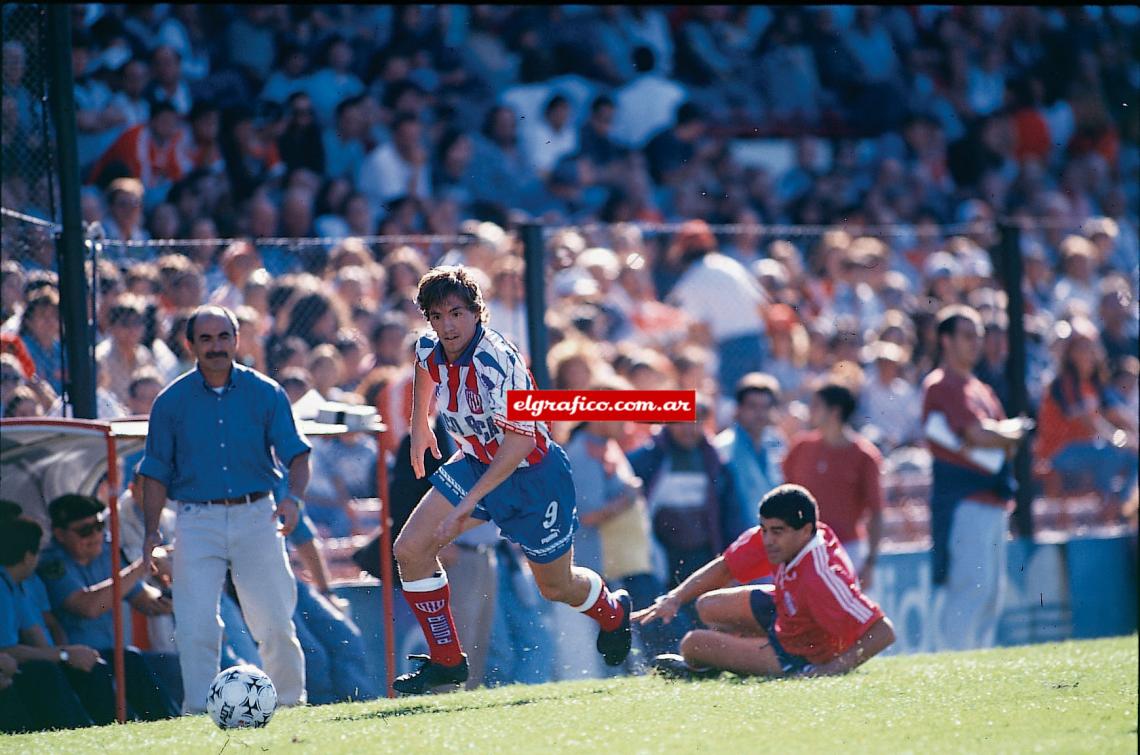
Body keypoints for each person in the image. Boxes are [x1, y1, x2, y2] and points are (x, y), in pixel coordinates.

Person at [390, 265, 631, 694]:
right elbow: (423, 366)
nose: (447, 325)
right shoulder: (432, 346)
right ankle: (447, 661)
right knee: (410, 549)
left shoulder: (496, 361)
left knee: (556, 586)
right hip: (477, 462)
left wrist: (467, 506)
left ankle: (613, 613)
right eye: (437, 316)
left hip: (533, 475)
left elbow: (519, 444)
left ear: (477, 313)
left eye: (456, 313)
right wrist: (420, 426)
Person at [137, 303, 311, 713]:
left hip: (257, 515)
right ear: (190, 344)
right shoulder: (170, 401)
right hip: (197, 520)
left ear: (236, 339)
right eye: (206, 338)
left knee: (273, 621)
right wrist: (150, 532)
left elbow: (297, 455)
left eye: (223, 337)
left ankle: (290, 705)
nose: (216, 346)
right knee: (195, 624)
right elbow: (155, 472)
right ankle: (197, 712)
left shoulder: (267, 391)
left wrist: (295, 499)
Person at [635, 484, 895, 679]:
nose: (768, 539)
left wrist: (828, 669)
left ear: (805, 531)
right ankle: (734, 657)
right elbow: (726, 567)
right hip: (787, 614)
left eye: (776, 532)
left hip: (799, 652)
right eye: (764, 529)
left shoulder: (822, 577)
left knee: (692, 644)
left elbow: (883, 632)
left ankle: (716, 664)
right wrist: (675, 598)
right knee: (706, 605)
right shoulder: (796, 536)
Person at [922, 305, 1027, 651]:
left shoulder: (981, 388)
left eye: (979, 336)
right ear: (945, 340)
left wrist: (998, 434)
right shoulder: (942, 384)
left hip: (992, 498)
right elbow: (977, 435)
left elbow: (999, 443)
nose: (976, 343)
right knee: (971, 586)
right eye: (968, 336)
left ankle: (977, 664)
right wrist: (1006, 432)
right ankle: (956, 665)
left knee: (992, 593)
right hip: (964, 499)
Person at [36, 494, 180, 721]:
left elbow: (144, 599)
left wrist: (168, 591)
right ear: (60, 534)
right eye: (84, 531)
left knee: (152, 663)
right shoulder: (51, 563)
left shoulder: (108, 550)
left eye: (98, 526)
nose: (95, 535)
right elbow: (90, 607)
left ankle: (171, 727)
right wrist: (142, 564)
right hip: (76, 661)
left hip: (115, 656)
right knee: (120, 667)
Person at [782, 382, 884, 586]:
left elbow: (876, 512)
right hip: (802, 550)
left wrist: (870, 562)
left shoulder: (864, 455)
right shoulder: (801, 447)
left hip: (847, 550)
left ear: (834, 411)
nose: (810, 410)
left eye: (816, 405)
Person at [714, 373, 787, 540]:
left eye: (765, 407)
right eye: (752, 406)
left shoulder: (777, 443)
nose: (759, 413)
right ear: (738, 409)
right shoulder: (722, 448)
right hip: (736, 543)